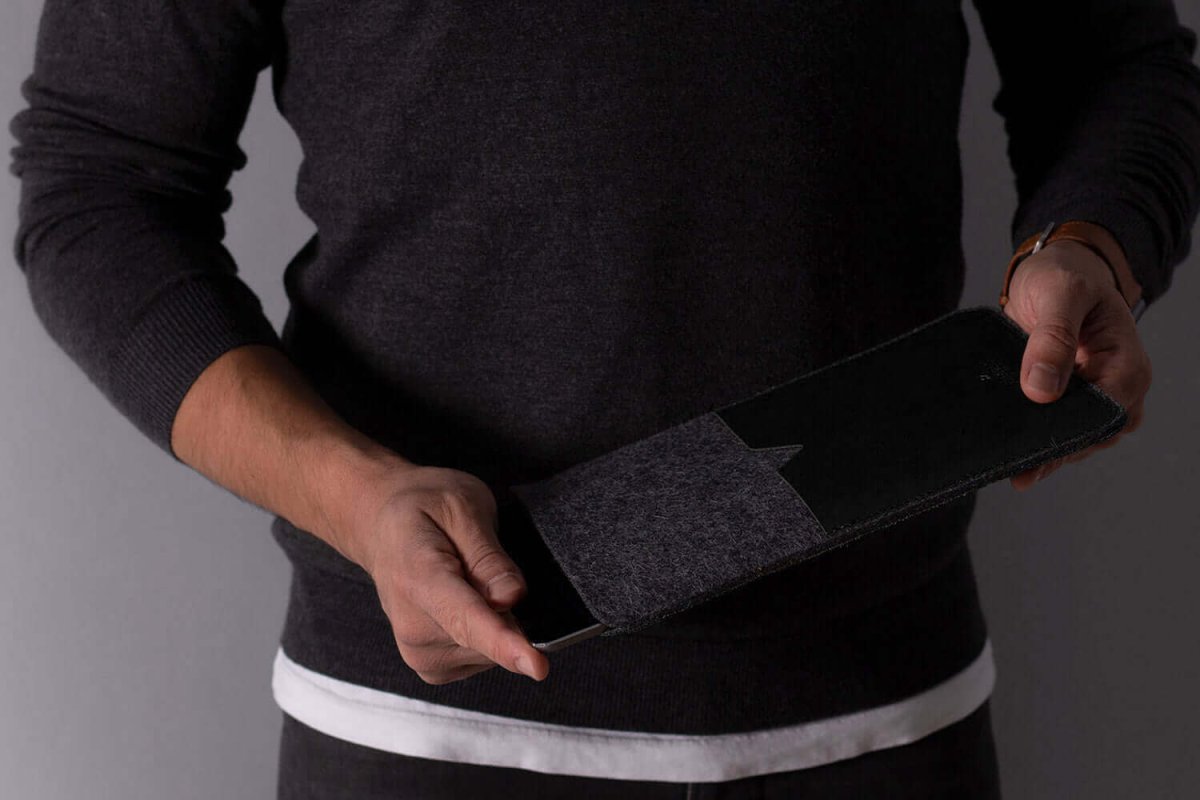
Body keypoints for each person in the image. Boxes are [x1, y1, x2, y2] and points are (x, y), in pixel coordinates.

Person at [9, 1, 1200, 797]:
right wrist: (351, 494)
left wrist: (1091, 243)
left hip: (880, 713)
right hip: (424, 728)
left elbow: (1120, 63)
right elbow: (99, 183)